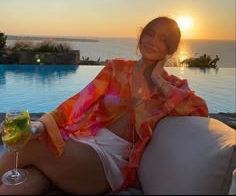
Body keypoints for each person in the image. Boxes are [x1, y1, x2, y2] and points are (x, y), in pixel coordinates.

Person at [0, 16, 208, 195]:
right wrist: (38, 126)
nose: (152, 41)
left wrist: (158, 80)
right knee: (12, 189)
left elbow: (199, 110)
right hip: (77, 144)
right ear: (141, 35)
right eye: (150, 33)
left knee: (30, 144)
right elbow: (76, 104)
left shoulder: (172, 87)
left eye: (163, 39)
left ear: (170, 49)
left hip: (107, 162)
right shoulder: (116, 69)